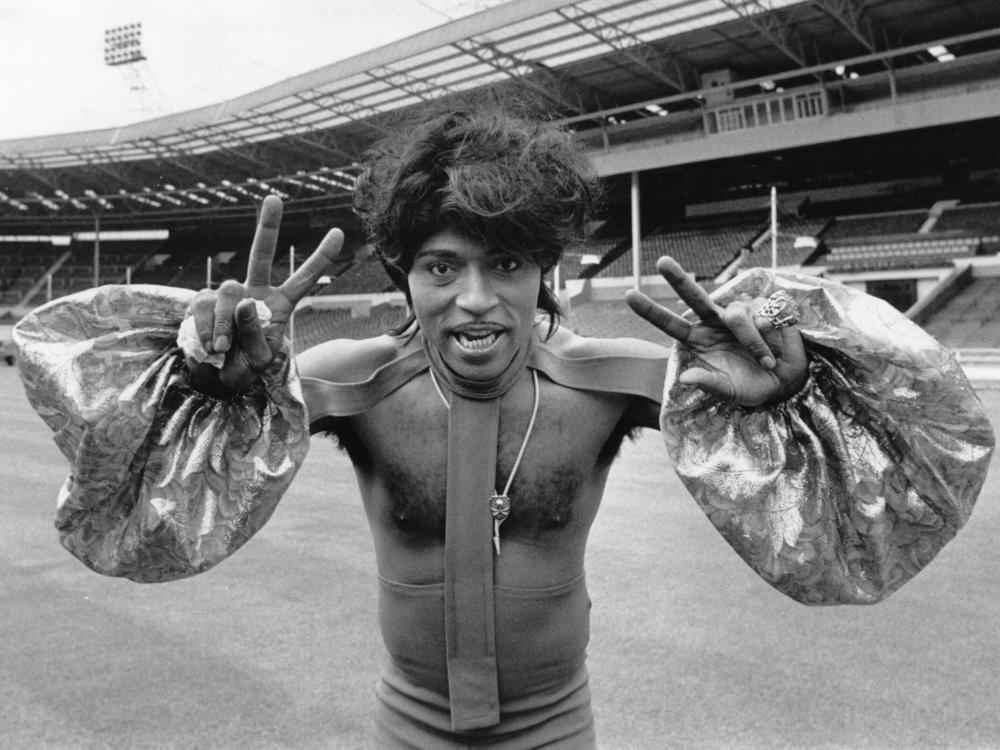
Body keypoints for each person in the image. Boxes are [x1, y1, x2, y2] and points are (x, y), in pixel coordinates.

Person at [13, 107, 995, 748]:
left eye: (507, 265)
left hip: (557, 732)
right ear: (402, 277)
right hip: (407, 730)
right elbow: (145, 494)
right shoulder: (348, 381)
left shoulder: (611, 381)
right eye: (442, 267)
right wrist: (207, 380)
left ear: (544, 275)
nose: (475, 298)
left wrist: (789, 397)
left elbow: (876, 489)